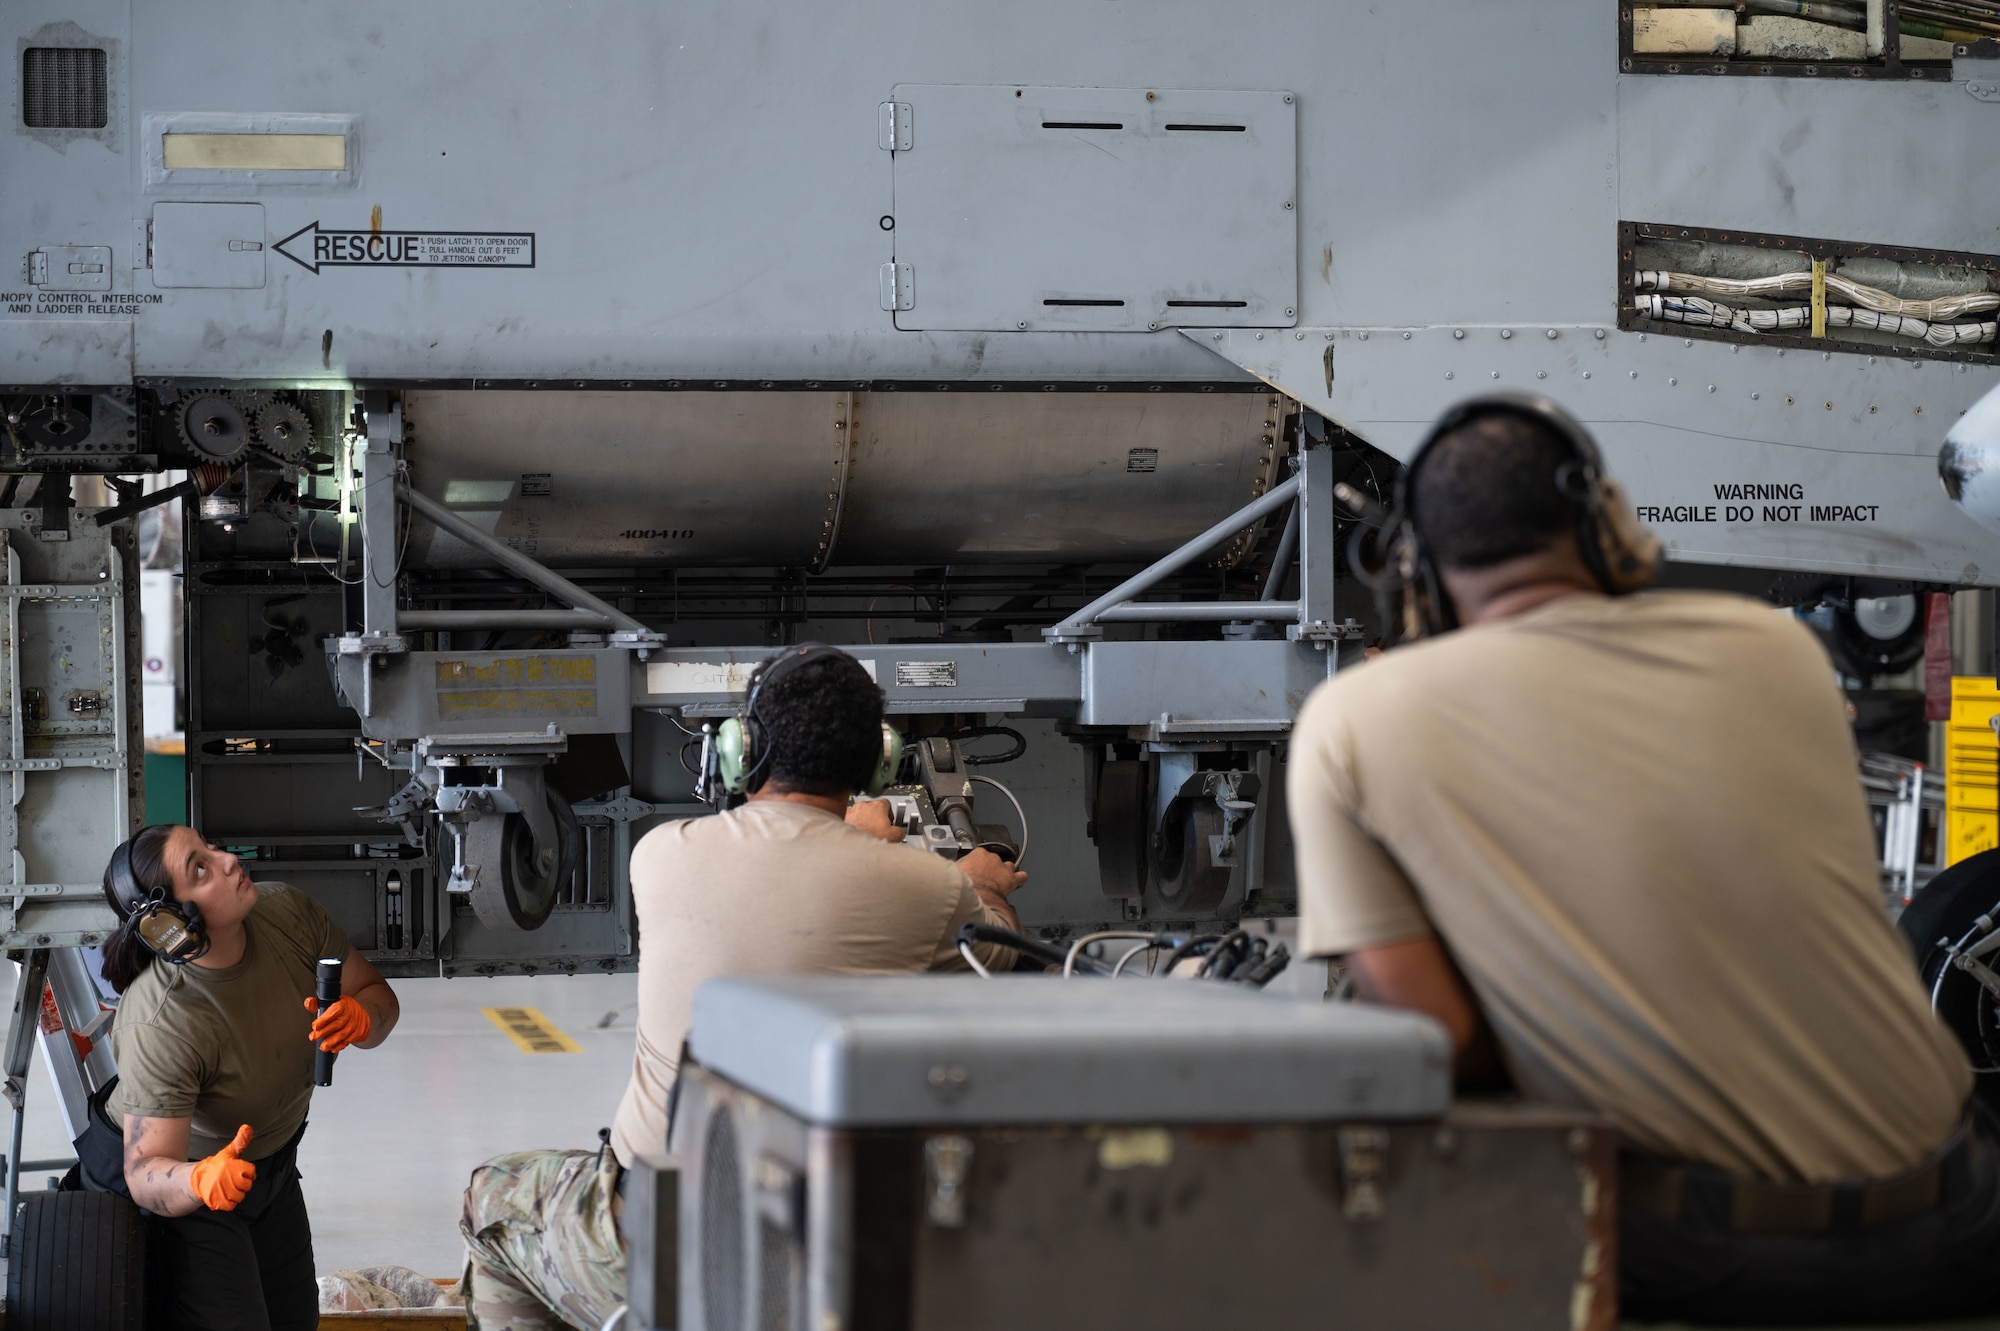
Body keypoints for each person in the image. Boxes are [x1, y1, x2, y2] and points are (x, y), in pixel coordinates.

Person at [1289, 393, 2000, 1326]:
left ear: (1418, 571)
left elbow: (1438, 1048)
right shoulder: (1772, 652)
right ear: (1610, 524)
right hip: (1957, 1216)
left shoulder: (1352, 721)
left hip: (1707, 1256)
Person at [460, 644, 1027, 1329]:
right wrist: (981, 882)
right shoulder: (929, 888)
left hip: (658, 1246)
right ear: (877, 762)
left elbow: (785, 871)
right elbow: (993, 950)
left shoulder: (661, 855)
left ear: (741, 748)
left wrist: (851, 839)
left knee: (490, 1201)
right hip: (829, 1261)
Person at [83, 823, 400, 1330]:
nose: (228, 860)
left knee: (294, 1321)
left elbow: (380, 998)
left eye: (210, 847)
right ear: (171, 924)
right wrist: (199, 1179)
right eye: (201, 869)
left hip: (266, 1170)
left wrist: (362, 1017)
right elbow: (145, 1174)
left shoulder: (288, 913)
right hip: (186, 1190)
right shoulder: (163, 1019)